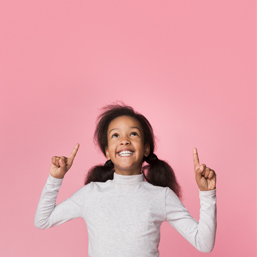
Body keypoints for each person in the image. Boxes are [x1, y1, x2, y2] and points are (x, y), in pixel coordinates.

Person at [34, 103, 217, 257]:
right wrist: (55, 178)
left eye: (133, 134)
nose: (124, 141)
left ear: (146, 149)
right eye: (115, 135)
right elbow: (43, 220)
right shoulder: (91, 193)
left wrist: (207, 194)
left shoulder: (161, 196)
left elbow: (203, 243)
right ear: (107, 152)